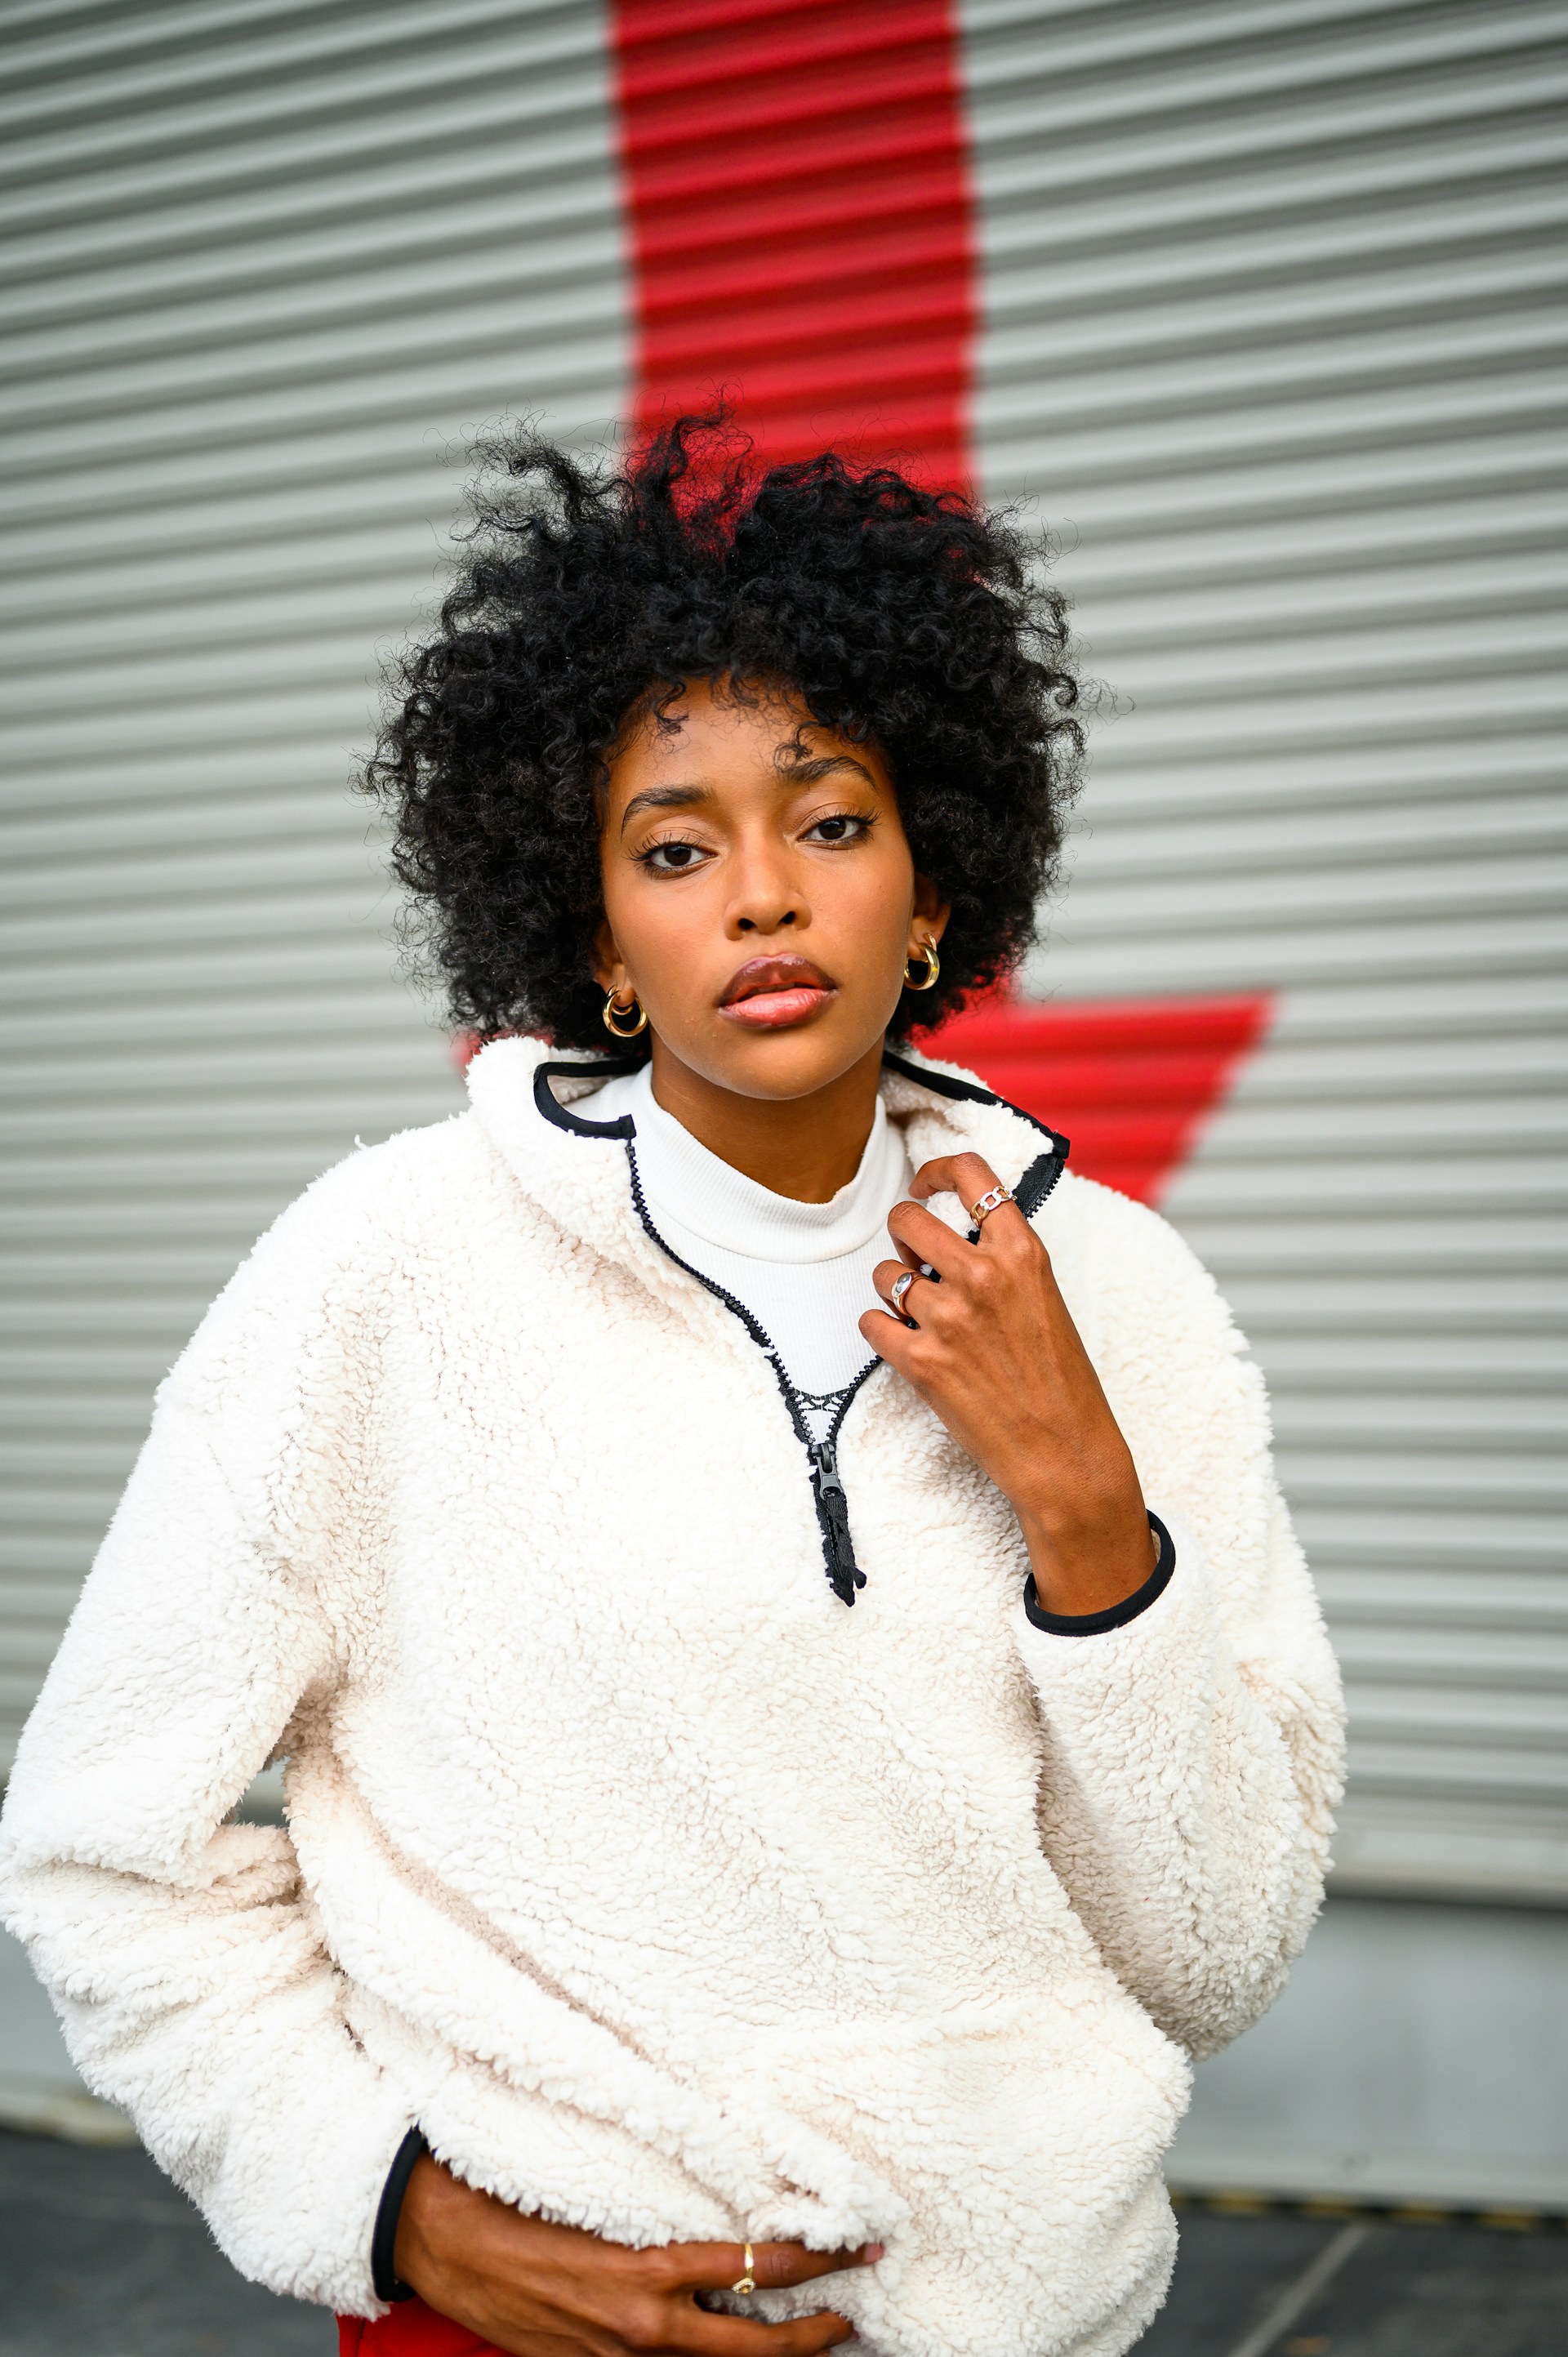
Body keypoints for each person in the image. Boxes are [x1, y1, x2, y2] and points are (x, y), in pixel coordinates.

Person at [0, 423, 1343, 2357]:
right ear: (601, 935)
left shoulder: (1118, 1297)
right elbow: (98, 1849)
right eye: (676, 847)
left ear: (933, 891)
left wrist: (1083, 1509)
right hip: (526, 2319)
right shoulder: (388, 1270)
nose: (764, 897)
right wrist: (392, 2212)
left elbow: (1216, 1958)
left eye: (832, 821)